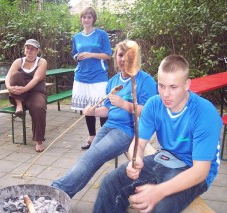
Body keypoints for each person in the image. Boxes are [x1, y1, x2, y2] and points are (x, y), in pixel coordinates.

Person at [91, 54, 223, 213]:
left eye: (173, 87)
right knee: (110, 182)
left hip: (192, 168)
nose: (166, 94)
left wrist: (159, 191)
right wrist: (135, 158)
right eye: (161, 86)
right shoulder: (154, 104)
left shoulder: (205, 113)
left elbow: (200, 171)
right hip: (165, 157)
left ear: (187, 85)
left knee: (158, 209)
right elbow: (138, 144)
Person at [52, 39, 157, 198]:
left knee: (91, 157)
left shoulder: (145, 80)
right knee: (90, 159)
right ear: (116, 57)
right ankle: (63, 194)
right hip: (109, 127)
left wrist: (124, 104)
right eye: (120, 55)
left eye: (129, 55)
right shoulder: (113, 81)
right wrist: (93, 112)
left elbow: (149, 113)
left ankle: (57, 192)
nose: (123, 59)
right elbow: (107, 110)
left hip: (127, 131)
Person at [71, 6, 112, 150]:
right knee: (87, 108)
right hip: (81, 77)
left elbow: (108, 54)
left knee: (101, 107)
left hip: (98, 77)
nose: (86, 20)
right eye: (84, 17)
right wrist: (77, 56)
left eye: (89, 17)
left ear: (93, 19)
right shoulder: (76, 37)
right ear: (81, 19)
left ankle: (104, 139)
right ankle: (91, 138)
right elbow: (74, 54)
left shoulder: (101, 34)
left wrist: (91, 54)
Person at [5, 39, 47, 152]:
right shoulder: (18, 61)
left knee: (38, 107)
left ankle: (38, 140)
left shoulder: (42, 62)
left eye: (32, 48)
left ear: (37, 50)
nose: (29, 50)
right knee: (16, 75)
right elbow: (8, 76)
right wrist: (9, 87)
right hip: (18, 95)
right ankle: (19, 106)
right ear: (24, 49)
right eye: (27, 48)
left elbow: (37, 78)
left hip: (35, 92)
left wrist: (24, 89)